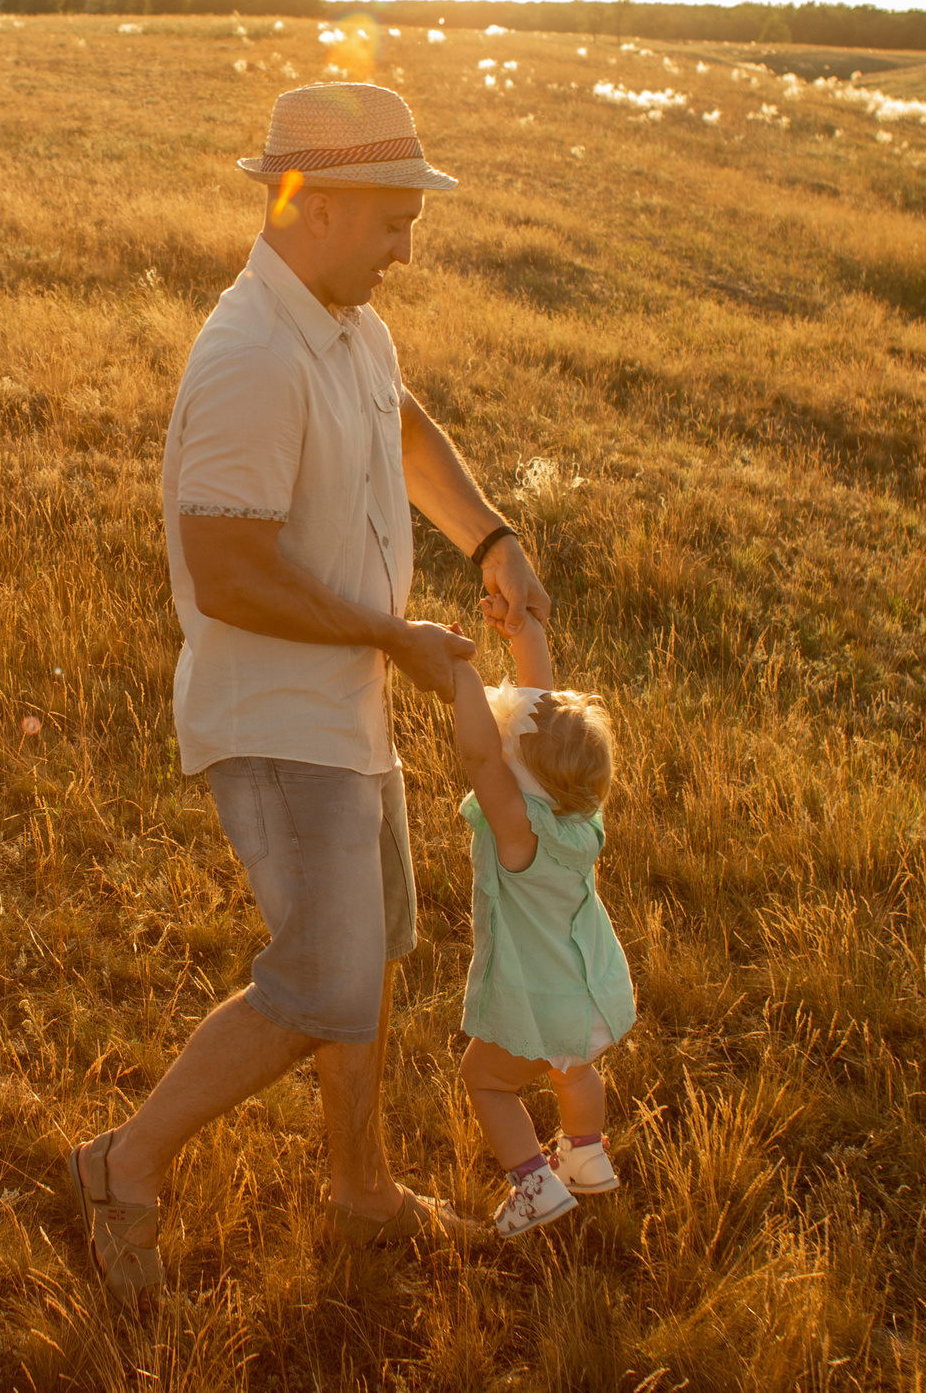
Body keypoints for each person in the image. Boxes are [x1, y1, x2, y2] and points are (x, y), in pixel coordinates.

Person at [67, 82, 552, 1304]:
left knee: (372, 956)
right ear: (317, 205)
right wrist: (392, 638)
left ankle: (362, 1193)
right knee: (324, 978)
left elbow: (400, 426)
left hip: (347, 709)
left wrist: (490, 542)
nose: (406, 248)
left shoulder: (345, 327)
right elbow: (225, 569)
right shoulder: (247, 353)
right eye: (394, 221)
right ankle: (120, 1169)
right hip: (276, 718)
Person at [447, 612, 632, 1238]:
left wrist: (462, 676)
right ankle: (585, 1152)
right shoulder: (582, 815)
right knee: (572, 1067)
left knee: (485, 1080)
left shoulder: (516, 833)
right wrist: (526, 634)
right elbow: (544, 707)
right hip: (591, 995)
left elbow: (478, 756)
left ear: (519, 774)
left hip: (542, 1002)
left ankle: (532, 1184)